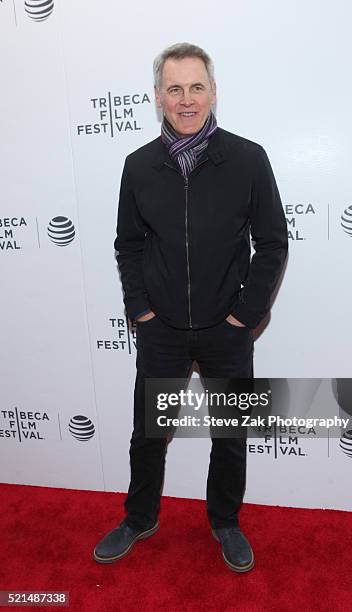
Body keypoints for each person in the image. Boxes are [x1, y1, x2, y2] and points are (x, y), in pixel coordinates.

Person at [93, 42, 288, 573]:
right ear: (158, 96)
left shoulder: (248, 158)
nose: (186, 99)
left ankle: (225, 521)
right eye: (174, 89)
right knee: (148, 434)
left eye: (196, 87)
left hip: (227, 330)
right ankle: (139, 517)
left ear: (213, 92)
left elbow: (273, 243)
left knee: (229, 434)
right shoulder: (138, 167)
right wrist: (142, 312)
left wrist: (243, 318)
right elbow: (128, 246)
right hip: (162, 332)